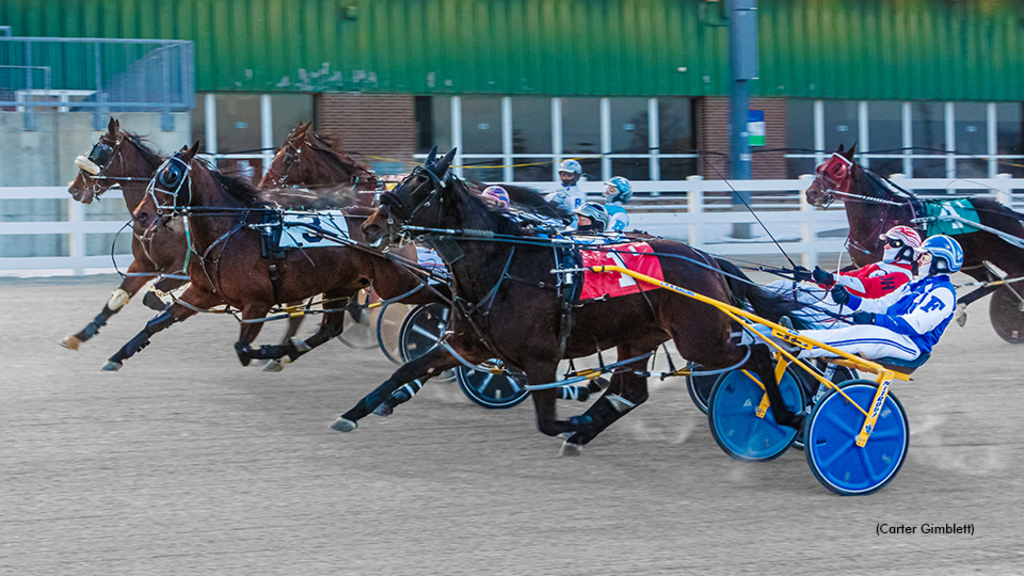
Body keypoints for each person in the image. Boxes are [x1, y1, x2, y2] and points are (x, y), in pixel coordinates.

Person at [797, 234, 962, 362]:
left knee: (861, 332)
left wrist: (875, 320)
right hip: (891, 333)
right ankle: (796, 333)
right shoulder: (914, 286)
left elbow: (916, 325)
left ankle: (797, 345)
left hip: (910, 344)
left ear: (941, 263)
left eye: (924, 257)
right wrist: (849, 299)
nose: (918, 261)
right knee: (840, 321)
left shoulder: (943, 293)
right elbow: (881, 305)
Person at [767, 225, 923, 328]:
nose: (886, 246)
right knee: (781, 286)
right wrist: (811, 276)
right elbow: (846, 277)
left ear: (908, 251)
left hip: (849, 313)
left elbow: (867, 287)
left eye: (893, 243)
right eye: (886, 241)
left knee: (790, 316)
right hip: (833, 301)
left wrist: (831, 279)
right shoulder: (880, 266)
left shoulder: (902, 277)